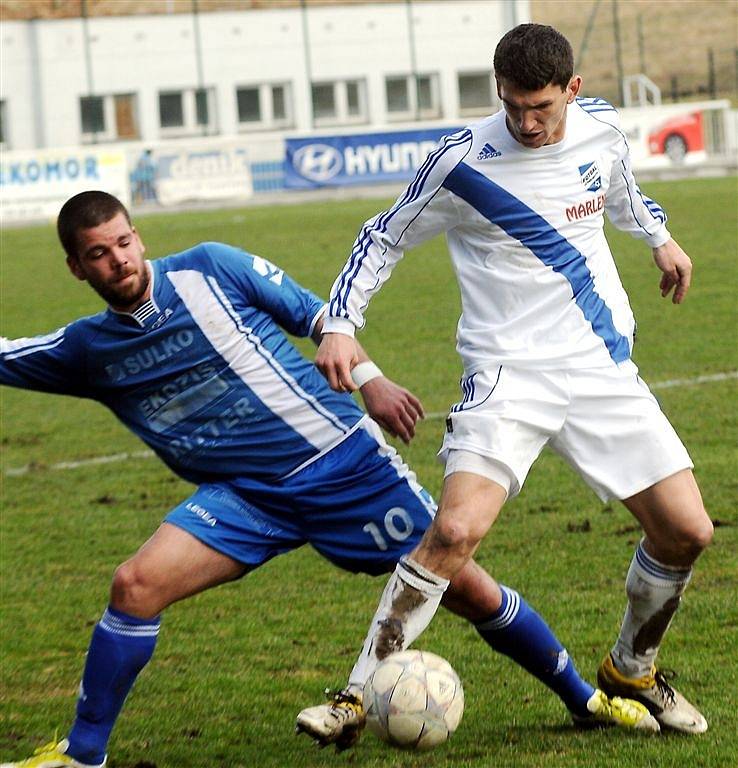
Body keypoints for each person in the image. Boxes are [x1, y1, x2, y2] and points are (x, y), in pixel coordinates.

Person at [0, 191, 656, 768]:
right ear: (76, 267)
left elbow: (319, 316)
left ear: (138, 236)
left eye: (123, 242)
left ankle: (584, 698)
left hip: (344, 468)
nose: (118, 260)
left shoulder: (209, 266)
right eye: (98, 253)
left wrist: (370, 380)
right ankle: (83, 755)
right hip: (243, 499)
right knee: (135, 585)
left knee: (470, 590)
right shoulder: (86, 350)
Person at [312, 22, 713, 742]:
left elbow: (623, 193)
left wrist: (659, 238)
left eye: (542, 109)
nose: (526, 123)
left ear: (573, 91)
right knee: (456, 529)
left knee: (686, 530)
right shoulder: (460, 162)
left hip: (598, 366)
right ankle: (354, 695)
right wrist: (340, 322)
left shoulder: (601, 133)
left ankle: (633, 668)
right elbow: (382, 237)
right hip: (507, 372)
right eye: (512, 106)